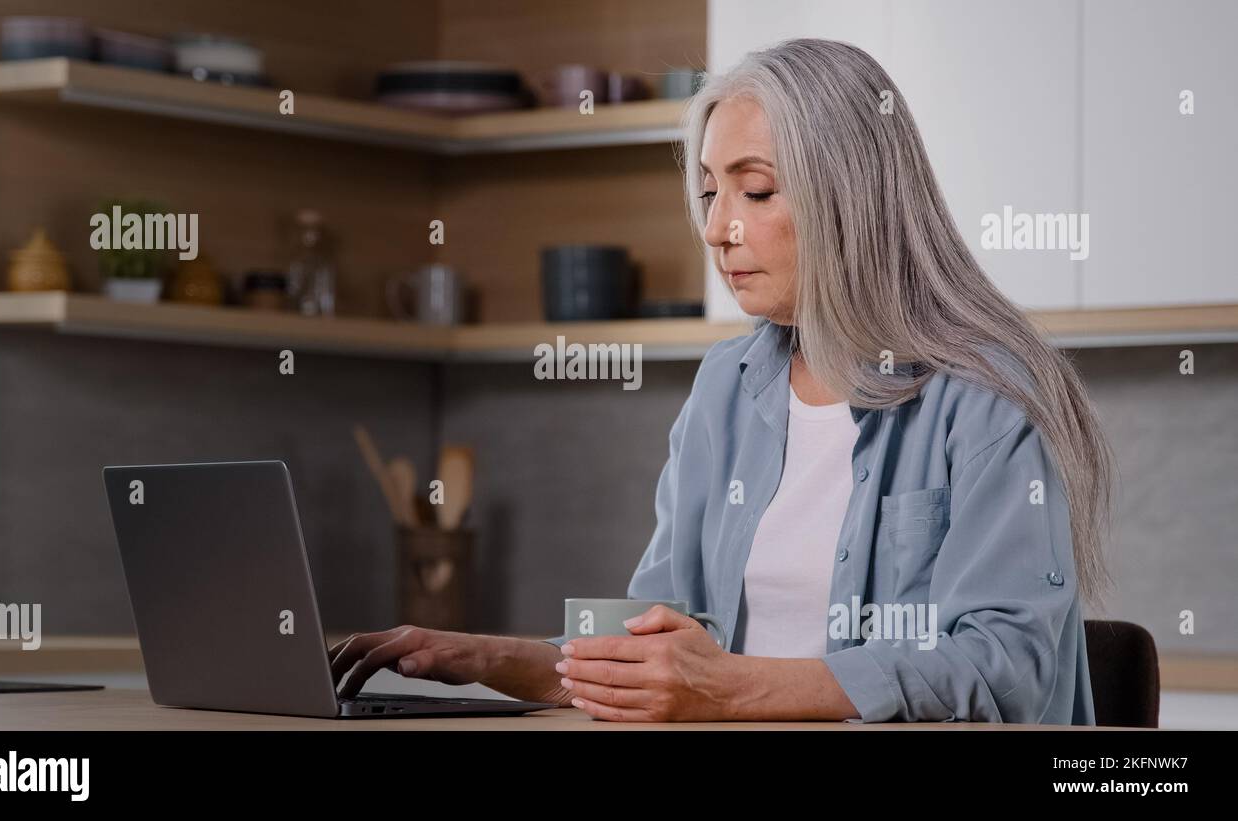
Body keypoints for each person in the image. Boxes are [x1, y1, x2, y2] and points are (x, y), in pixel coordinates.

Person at [329, 38, 1113, 723]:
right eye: (709, 190)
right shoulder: (727, 387)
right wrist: (495, 661)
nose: (715, 227)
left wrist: (732, 689)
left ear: (853, 197)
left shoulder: (988, 395)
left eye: (757, 189)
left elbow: (1007, 665)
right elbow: (660, 637)